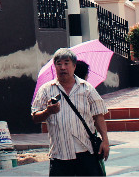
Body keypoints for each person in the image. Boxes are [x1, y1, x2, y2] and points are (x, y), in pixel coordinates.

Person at [31, 48, 110, 176]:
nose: (62, 67)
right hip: (60, 154)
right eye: (59, 63)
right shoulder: (46, 90)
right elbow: (35, 117)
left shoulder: (86, 89)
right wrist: (48, 111)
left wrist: (105, 140)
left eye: (66, 63)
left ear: (74, 66)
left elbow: (98, 115)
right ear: (54, 66)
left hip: (86, 152)